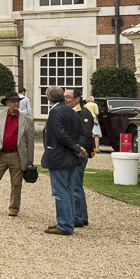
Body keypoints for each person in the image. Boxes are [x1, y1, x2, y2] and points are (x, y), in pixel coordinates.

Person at [42, 85, 88, 235]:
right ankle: (68, 221)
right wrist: (79, 148)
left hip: (59, 157)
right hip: (72, 157)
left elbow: (60, 133)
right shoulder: (72, 111)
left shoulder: (55, 111)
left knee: (60, 192)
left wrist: (76, 148)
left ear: (49, 98)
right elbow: (81, 133)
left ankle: (65, 225)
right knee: (68, 190)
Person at [70, 87, 95, 223]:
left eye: (68, 97)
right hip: (75, 152)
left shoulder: (84, 113)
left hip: (80, 154)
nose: (65, 100)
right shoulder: (70, 112)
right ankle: (82, 217)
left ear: (77, 99)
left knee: (75, 185)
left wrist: (77, 149)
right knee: (76, 185)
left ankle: (78, 217)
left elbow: (85, 135)